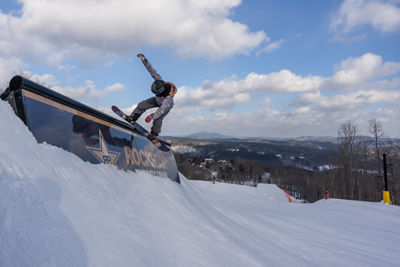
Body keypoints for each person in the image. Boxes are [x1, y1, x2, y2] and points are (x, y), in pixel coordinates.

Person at [127, 54, 177, 140]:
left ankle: (154, 133)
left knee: (158, 119)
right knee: (142, 105)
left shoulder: (168, 100)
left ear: (161, 92)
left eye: (156, 93)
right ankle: (133, 117)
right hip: (157, 101)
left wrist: (151, 116)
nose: (155, 94)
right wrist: (144, 59)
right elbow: (151, 70)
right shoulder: (159, 81)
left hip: (164, 107)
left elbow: (161, 111)